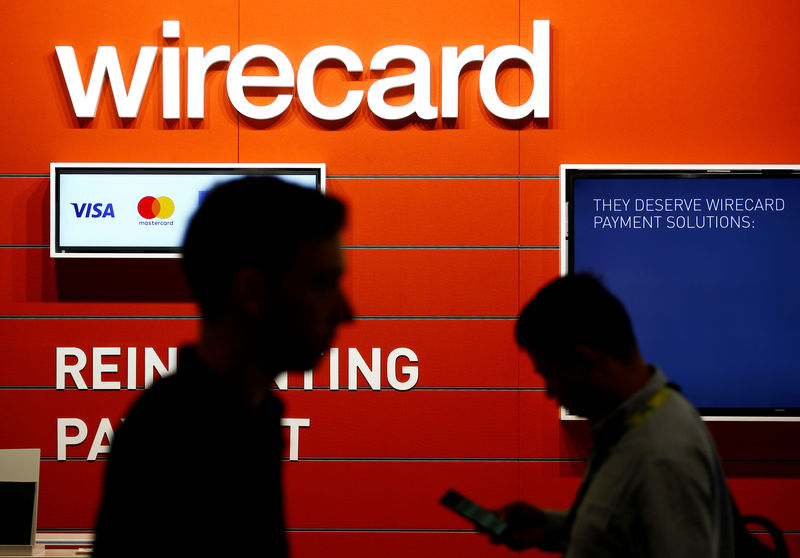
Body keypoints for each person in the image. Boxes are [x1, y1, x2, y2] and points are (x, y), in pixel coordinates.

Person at [93, 177, 353, 558]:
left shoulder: (250, 418)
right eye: (322, 284)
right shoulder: (177, 442)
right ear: (251, 292)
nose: (346, 313)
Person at [491, 274, 735, 557]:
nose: (549, 393)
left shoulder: (661, 455)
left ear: (584, 362)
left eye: (549, 375)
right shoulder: (636, 425)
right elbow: (623, 533)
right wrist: (550, 527)